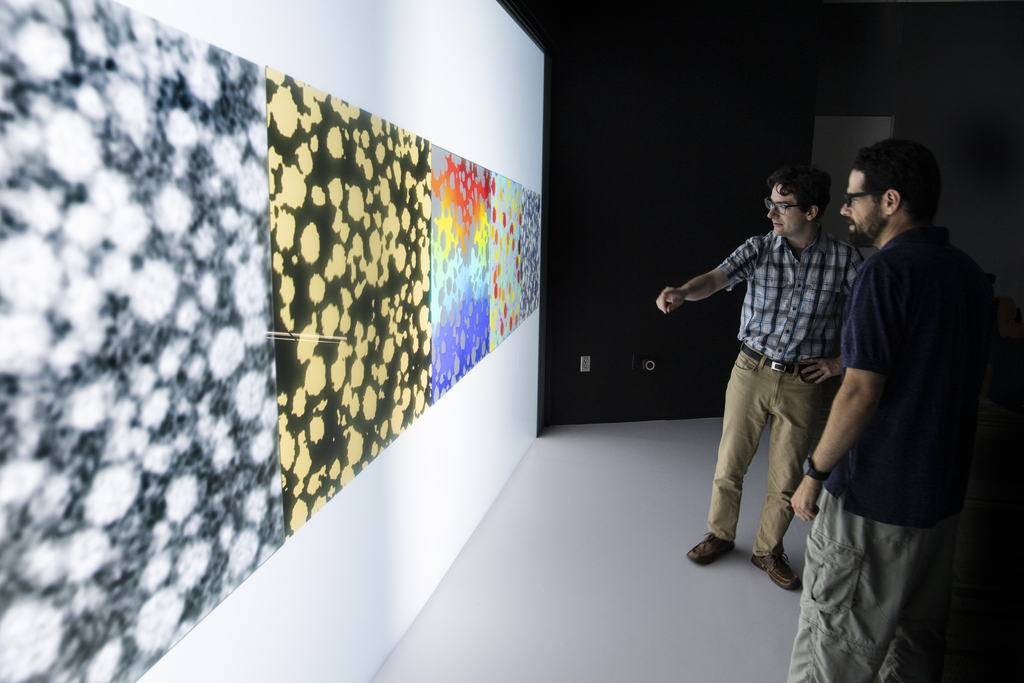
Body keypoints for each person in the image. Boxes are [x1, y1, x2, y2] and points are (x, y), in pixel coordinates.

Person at [787, 139, 995, 681]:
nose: (844, 209)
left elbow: (860, 391)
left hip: (873, 502)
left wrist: (815, 472)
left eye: (854, 197)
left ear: (890, 201)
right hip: (940, 504)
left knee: (833, 650)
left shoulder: (885, 273)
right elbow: (981, 381)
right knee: (914, 651)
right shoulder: (971, 277)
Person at [656, 165, 863, 589]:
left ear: (811, 211)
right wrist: (682, 292)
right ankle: (720, 534)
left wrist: (840, 363)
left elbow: (869, 319)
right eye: (769, 204)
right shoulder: (758, 248)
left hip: (805, 381)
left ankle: (768, 550)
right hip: (750, 369)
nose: (771, 214)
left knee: (787, 475)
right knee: (730, 463)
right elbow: (715, 279)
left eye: (781, 206)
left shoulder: (845, 260)